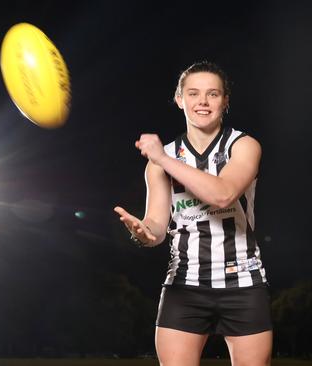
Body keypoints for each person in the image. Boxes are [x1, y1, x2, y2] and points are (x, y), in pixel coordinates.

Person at [114, 61, 272, 366]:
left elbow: (224, 192)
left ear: (225, 101)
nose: (203, 101)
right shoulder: (160, 162)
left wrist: (161, 157)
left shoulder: (244, 145)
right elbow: (158, 225)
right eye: (194, 93)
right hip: (183, 284)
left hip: (243, 282)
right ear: (179, 99)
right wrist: (144, 234)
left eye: (213, 94)